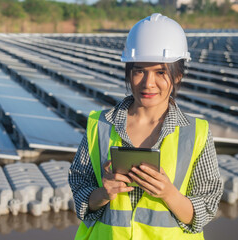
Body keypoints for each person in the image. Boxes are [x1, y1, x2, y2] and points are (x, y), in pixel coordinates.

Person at [68, 13, 223, 240]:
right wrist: (103, 193)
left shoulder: (195, 133)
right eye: (139, 70)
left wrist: (169, 194)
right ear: (129, 72)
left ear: (178, 75)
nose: (148, 83)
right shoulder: (99, 126)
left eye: (161, 72)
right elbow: (81, 194)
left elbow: (204, 211)